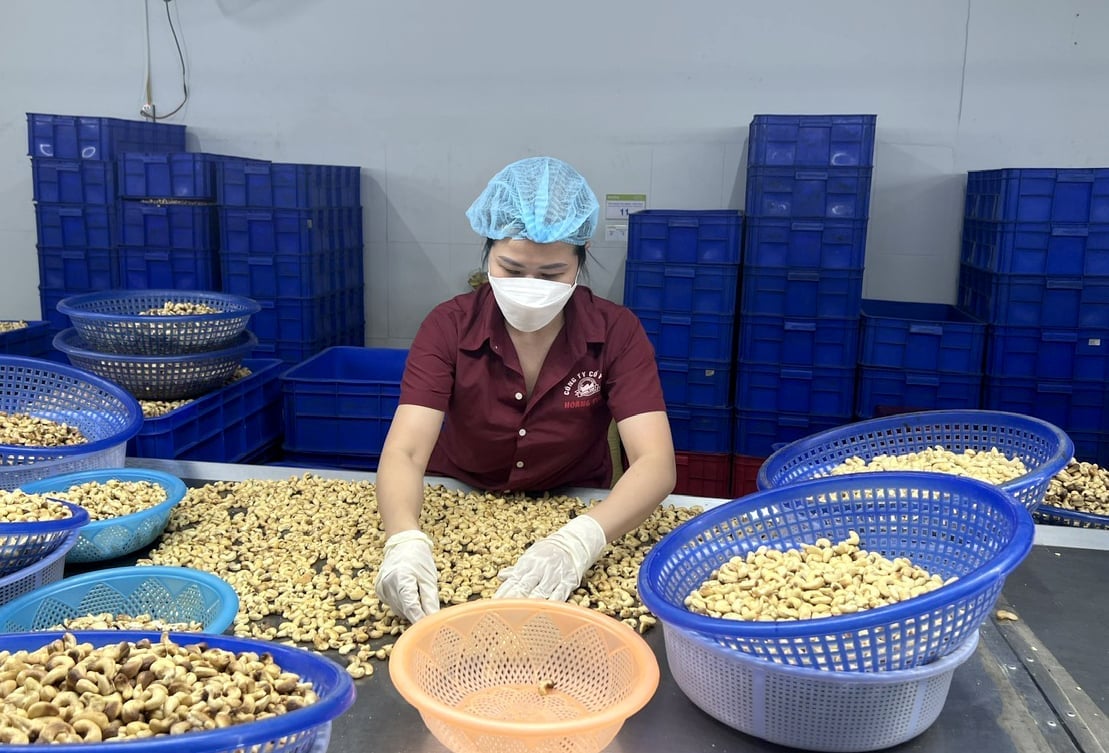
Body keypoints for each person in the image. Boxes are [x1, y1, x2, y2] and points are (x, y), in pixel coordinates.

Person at [373, 156, 676, 623]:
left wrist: (578, 541)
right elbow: (407, 452)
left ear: (581, 256)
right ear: (488, 252)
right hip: (458, 498)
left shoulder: (617, 331)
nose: (529, 286)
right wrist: (405, 539)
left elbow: (655, 463)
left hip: (576, 503)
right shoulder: (448, 325)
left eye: (552, 273)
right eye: (511, 269)